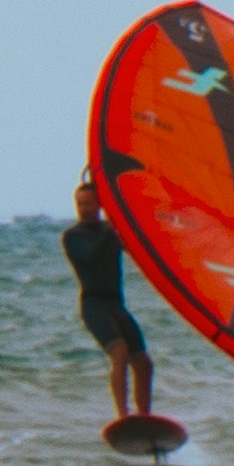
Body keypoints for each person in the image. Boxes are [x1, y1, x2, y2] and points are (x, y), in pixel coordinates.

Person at [64, 177, 155, 421]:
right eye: (80, 204)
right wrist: (111, 229)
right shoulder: (73, 236)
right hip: (94, 305)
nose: (84, 209)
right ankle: (123, 415)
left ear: (100, 204)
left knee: (144, 363)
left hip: (116, 304)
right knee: (120, 351)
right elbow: (90, 256)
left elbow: (138, 246)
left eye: (89, 203)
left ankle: (144, 417)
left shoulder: (110, 231)